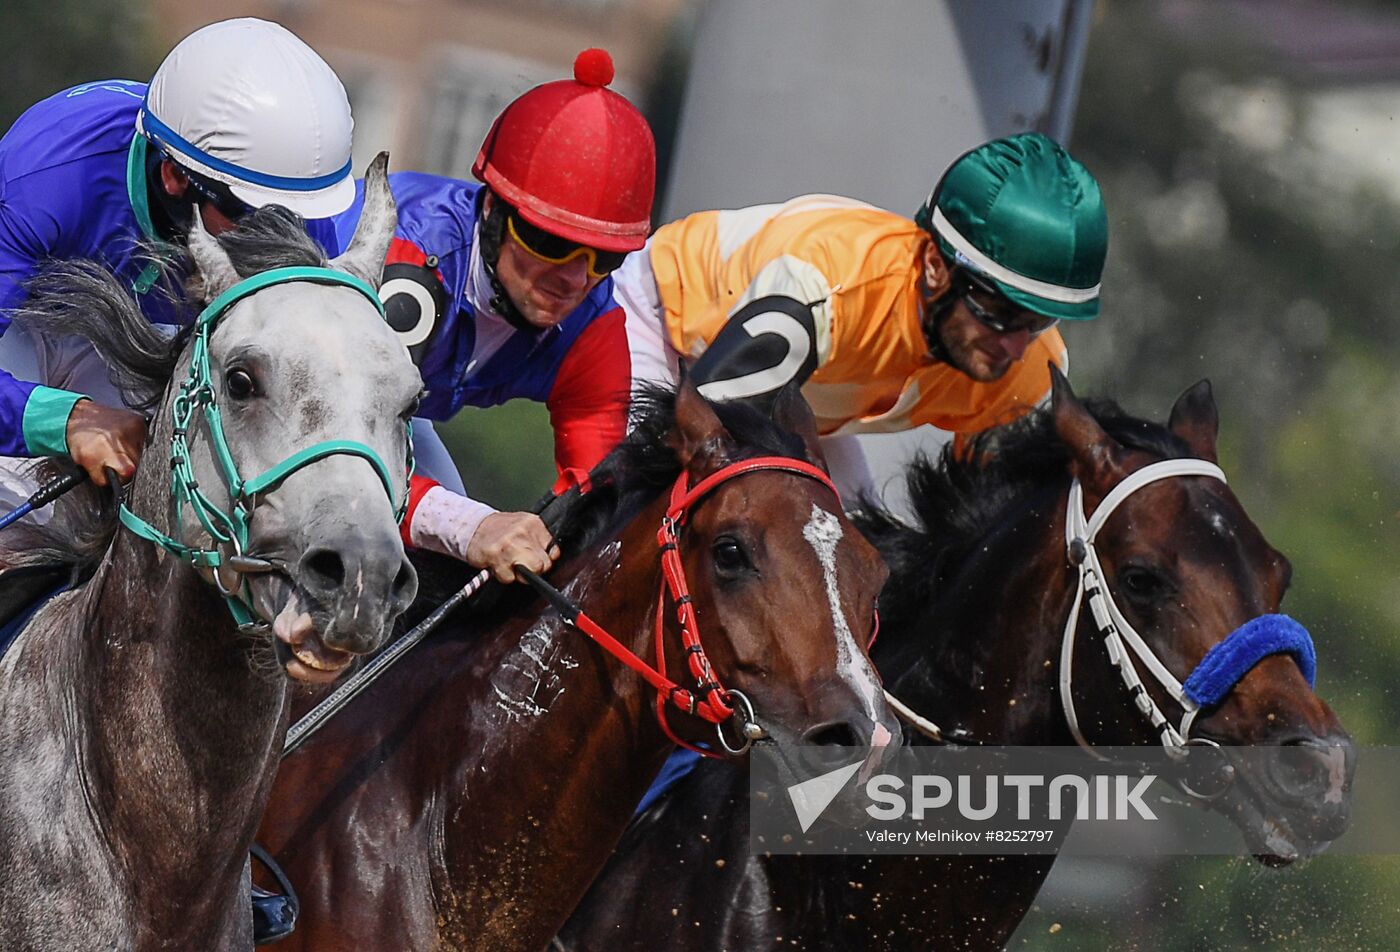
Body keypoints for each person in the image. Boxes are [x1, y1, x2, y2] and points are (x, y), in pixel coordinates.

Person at [611, 131, 1109, 493]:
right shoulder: (823, 290)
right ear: (936, 265)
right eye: (998, 311)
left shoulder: (1029, 373)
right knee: (647, 503)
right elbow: (696, 429)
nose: (1016, 345)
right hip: (663, 325)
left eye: (1038, 319)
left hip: (792, 393)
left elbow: (980, 526)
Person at [0, 17, 357, 507]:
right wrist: (68, 419)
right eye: (253, 217)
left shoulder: (302, 222)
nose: (273, 240)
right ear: (174, 177)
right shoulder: (46, 179)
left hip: (150, 344)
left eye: (290, 217)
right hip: (27, 321)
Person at [337, 48, 656, 583]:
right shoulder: (407, 259)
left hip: (391, 418)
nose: (574, 279)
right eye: (551, 242)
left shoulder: (594, 322)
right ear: (492, 211)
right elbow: (335, 445)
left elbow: (592, 492)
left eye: (605, 258)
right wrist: (471, 527)